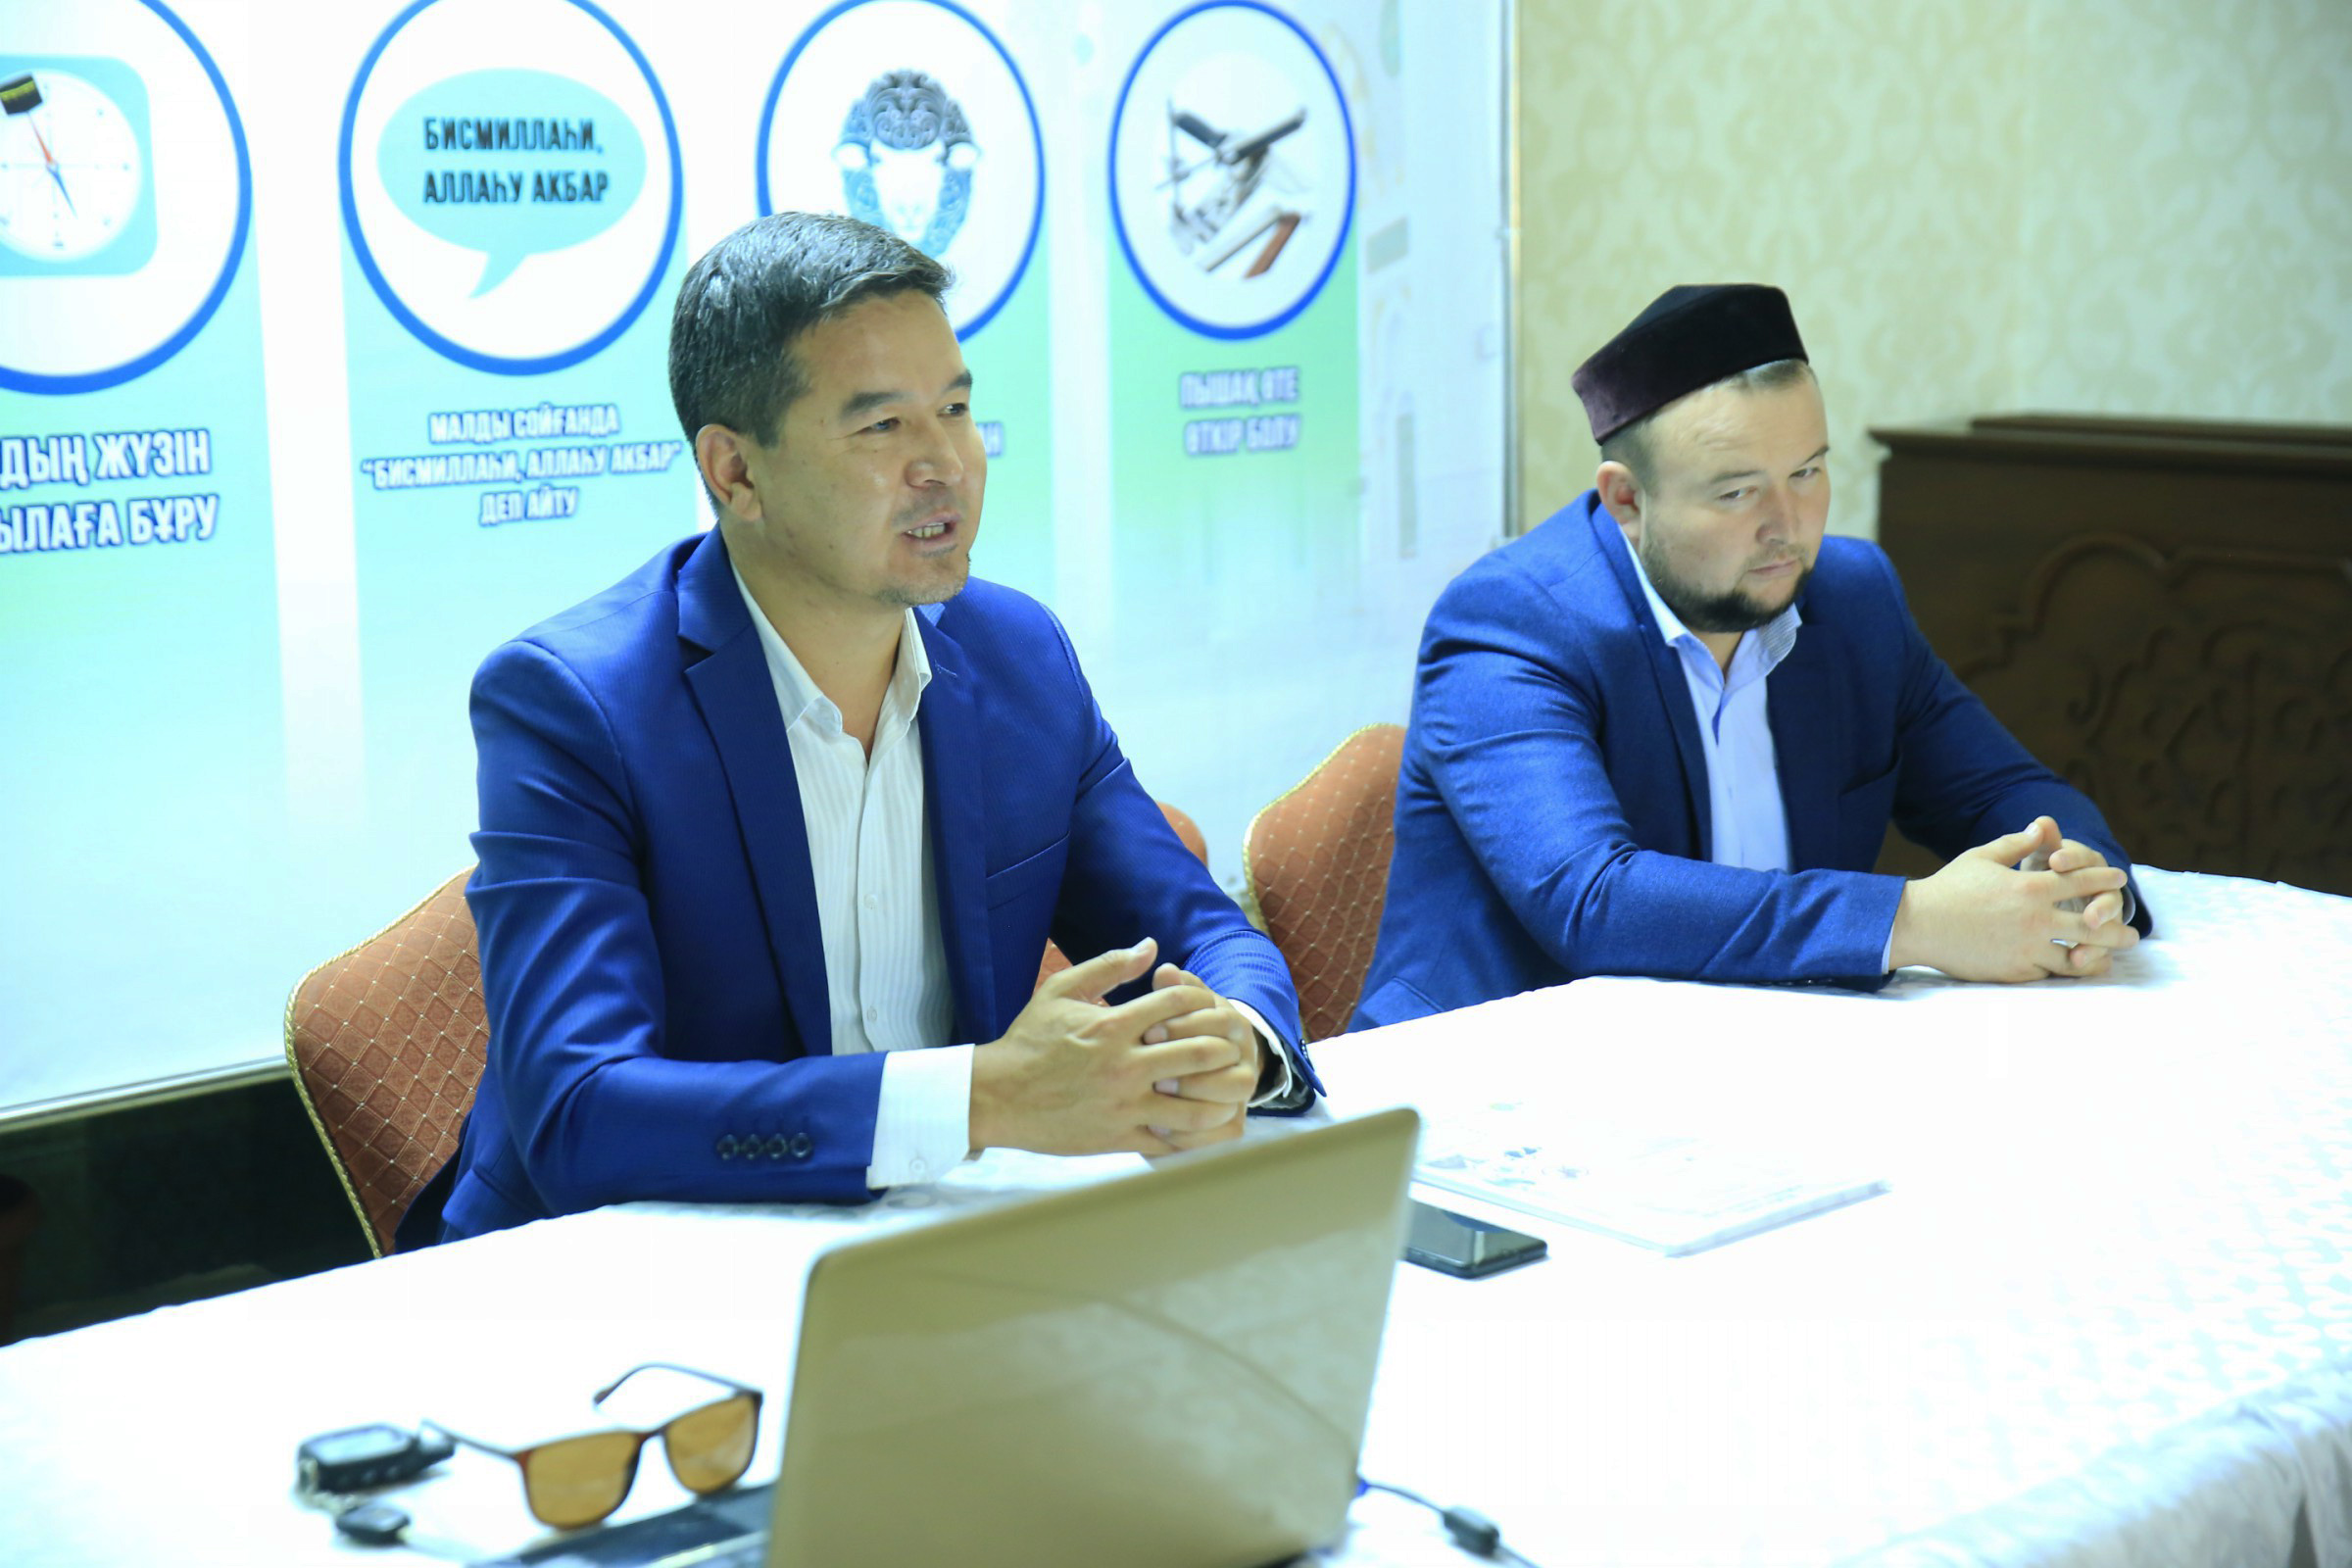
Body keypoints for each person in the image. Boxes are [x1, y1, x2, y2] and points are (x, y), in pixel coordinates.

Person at [405, 213, 1315, 1246]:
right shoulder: (576, 704)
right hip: (628, 1264)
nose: (947, 464)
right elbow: (582, 1112)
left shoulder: (1020, 658)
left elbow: (1204, 935)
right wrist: (981, 1098)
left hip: (935, 1245)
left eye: (956, 409)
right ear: (735, 473)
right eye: (882, 427)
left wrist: (1236, 1043)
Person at [1353, 284, 2150, 1029]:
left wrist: (2079, 885)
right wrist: (1912, 922)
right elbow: (1594, 901)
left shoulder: (1853, 599)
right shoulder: (1512, 623)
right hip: (1495, 1075)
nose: (1788, 526)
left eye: (1807, 472)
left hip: (1766, 1053)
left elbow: (2007, 791)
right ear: (1627, 499)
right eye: (1737, 493)